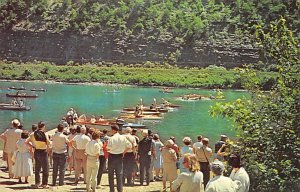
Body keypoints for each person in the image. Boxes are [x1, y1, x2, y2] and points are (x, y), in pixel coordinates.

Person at [25, 121, 51, 189]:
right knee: (45, 168)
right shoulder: (44, 134)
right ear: (43, 127)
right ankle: (44, 184)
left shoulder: (32, 134)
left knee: (37, 168)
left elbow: (26, 142)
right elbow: (48, 143)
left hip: (36, 151)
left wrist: (32, 146)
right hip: (43, 151)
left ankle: (37, 183)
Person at [107, 125, 132, 192]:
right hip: (120, 156)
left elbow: (108, 148)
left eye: (111, 130)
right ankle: (120, 189)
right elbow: (130, 146)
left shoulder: (111, 138)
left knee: (111, 174)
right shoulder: (123, 138)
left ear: (114, 130)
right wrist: (124, 152)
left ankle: (112, 190)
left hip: (112, 156)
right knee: (119, 174)